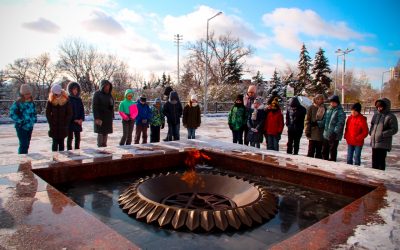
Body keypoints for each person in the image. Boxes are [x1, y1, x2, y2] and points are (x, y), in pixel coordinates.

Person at [369, 98, 398, 170]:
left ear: (385, 106)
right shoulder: (376, 115)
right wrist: (371, 132)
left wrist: (383, 134)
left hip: (383, 143)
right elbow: (372, 124)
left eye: (381, 107)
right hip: (374, 142)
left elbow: (394, 129)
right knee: (374, 162)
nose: (379, 108)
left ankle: (380, 178)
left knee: (381, 162)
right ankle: (374, 176)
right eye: (378, 107)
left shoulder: (390, 116)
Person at [9, 84, 37, 154]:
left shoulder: (31, 102)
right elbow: (12, 114)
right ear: (22, 94)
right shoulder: (18, 103)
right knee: (23, 144)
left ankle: (25, 159)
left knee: (27, 144)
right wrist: (20, 121)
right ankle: (21, 160)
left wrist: (34, 119)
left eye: (29, 93)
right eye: (26, 94)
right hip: (21, 127)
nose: (28, 95)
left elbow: (34, 112)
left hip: (30, 126)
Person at [46, 84, 72, 152]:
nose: (55, 95)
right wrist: (51, 122)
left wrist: (66, 122)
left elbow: (69, 113)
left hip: (63, 125)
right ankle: (54, 159)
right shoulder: (50, 100)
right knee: (54, 143)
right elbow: (48, 113)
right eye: (54, 94)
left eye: (56, 94)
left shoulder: (66, 100)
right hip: (53, 125)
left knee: (61, 143)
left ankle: (62, 159)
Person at [320, 95, 346, 162]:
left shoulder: (340, 111)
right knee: (324, 151)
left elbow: (340, 123)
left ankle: (332, 164)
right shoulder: (328, 109)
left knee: (332, 151)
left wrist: (335, 132)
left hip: (334, 135)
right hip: (326, 134)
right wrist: (318, 123)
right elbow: (325, 120)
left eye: (334, 102)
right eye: (331, 102)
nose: (332, 103)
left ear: (337, 102)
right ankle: (324, 163)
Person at [92, 79, 114, 147]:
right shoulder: (97, 94)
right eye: (106, 86)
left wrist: (111, 108)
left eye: (108, 86)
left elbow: (111, 106)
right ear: (102, 86)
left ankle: (104, 146)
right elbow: (94, 106)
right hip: (100, 117)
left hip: (107, 118)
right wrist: (97, 118)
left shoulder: (109, 95)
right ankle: (100, 147)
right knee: (100, 133)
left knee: (106, 132)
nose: (107, 87)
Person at [304, 94, 325, 158]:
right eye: (317, 99)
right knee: (311, 150)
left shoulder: (324, 108)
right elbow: (307, 120)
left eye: (321, 99)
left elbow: (325, 120)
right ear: (315, 100)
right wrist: (307, 130)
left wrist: (319, 123)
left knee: (319, 151)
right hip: (312, 132)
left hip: (320, 132)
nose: (319, 100)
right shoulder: (311, 108)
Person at [67, 82, 85, 150]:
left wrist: (81, 119)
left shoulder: (79, 99)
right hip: (71, 122)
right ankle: (69, 150)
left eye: (76, 89)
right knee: (70, 137)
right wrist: (74, 119)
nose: (75, 91)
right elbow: (68, 112)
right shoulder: (68, 99)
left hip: (78, 122)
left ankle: (77, 149)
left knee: (78, 137)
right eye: (74, 89)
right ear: (70, 90)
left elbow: (82, 110)